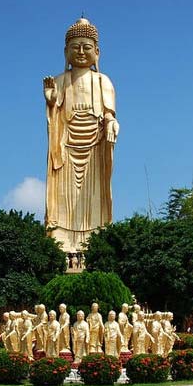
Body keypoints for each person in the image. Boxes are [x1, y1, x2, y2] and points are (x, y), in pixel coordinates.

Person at [43, 17, 120, 253]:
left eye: (86, 47)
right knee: (64, 195)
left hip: (95, 146)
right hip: (67, 145)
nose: (81, 52)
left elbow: (108, 112)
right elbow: (55, 112)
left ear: (97, 52)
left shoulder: (102, 80)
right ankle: (61, 238)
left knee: (93, 194)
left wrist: (111, 122)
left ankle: (95, 238)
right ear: (66, 51)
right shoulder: (59, 80)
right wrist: (52, 101)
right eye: (75, 47)